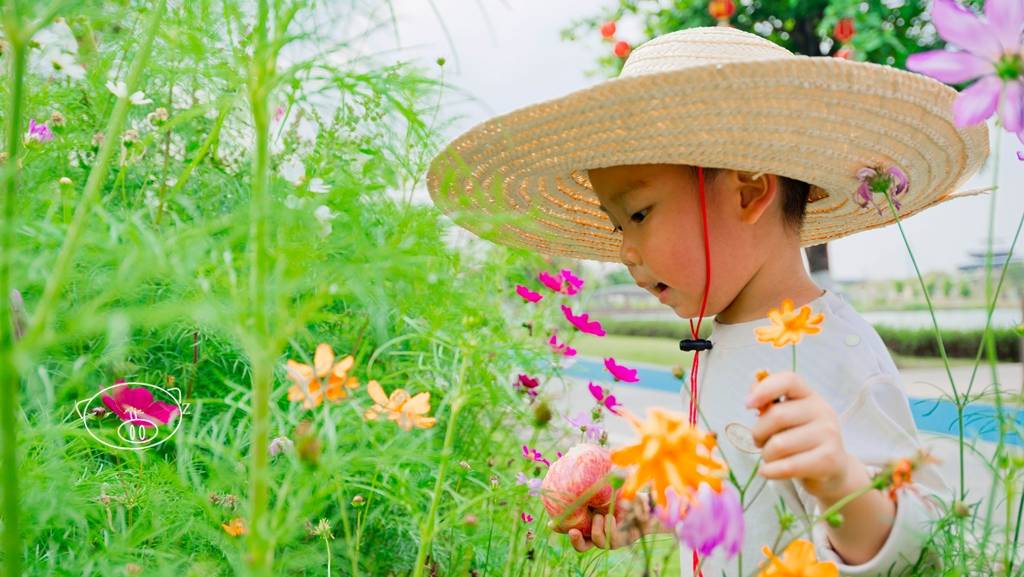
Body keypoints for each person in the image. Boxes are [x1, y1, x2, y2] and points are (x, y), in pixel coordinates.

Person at [426, 25, 988, 577]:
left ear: (749, 192)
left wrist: (842, 484)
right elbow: (736, 498)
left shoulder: (835, 352)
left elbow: (932, 547)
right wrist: (646, 511)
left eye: (639, 215)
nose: (624, 251)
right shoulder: (717, 344)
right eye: (617, 225)